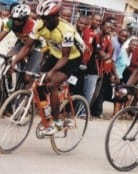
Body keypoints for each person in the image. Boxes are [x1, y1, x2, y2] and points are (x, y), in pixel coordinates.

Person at [11, 0, 85, 135]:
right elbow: (27, 46)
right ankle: (48, 113)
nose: (43, 21)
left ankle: (57, 122)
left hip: (72, 57)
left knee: (51, 84)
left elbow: (65, 57)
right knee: (39, 83)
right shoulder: (39, 25)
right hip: (55, 54)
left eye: (46, 18)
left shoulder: (66, 31)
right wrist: (15, 60)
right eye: (41, 18)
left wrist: (52, 72)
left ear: (56, 16)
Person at [0, 4, 43, 89]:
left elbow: (28, 48)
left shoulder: (32, 25)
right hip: (23, 43)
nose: (16, 21)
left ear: (26, 18)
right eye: (14, 18)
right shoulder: (10, 22)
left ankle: (26, 96)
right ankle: (9, 82)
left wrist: (16, 59)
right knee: (7, 59)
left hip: (38, 47)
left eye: (19, 19)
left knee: (27, 77)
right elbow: (1, 36)